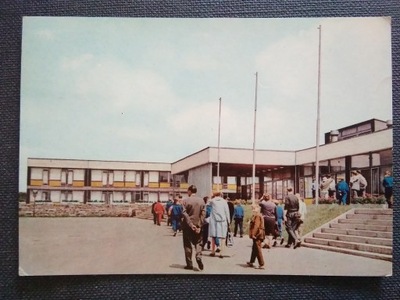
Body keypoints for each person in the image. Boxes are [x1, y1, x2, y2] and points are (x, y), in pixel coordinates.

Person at [181, 185, 206, 270]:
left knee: (187, 244)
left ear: (190, 191)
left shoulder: (185, 200)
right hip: (198, 225)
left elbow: (184, 213)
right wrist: (199, 225)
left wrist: (191, 224)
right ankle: (198, 256)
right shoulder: (201, 200)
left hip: (188, 226)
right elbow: (203, 214)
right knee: (198, 242)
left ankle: (189, 264)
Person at [208, 191, 230, 258]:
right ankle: (221, 253)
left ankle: (213, 251)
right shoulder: (224, 202)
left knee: (213, 236)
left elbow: (207, 203)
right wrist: (228, 221)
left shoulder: (212, 201)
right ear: (221, 195)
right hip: (222, 221)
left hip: (214, 221)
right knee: (223, 237)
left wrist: (211, 196)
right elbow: (227, 211)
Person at [246, 205, 265, 269]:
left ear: (258, 209)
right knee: (254, 248)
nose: (253, 210)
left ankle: (261, 264)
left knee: (257, 248)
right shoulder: (257, 215)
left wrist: (253, 234)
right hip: (258, 234)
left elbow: (256, 226)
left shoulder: (257, 216)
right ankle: (251, 261)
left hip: (257, 234)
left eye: (254, 209)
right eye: (252, 209)